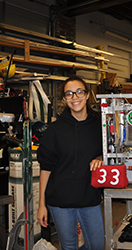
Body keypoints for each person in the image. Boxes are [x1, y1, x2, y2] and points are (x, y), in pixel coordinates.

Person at [37, 75, 105, 250]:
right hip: (60, 199)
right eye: (69, 94)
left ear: (87, 95)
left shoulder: (99, 125)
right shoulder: (55, 129)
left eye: (79, 92)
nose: (75, 98)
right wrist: (41, 205)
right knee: (69, 247)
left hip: (89, 196)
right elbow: (46, 168)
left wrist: (100, 158)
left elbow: (109, 152)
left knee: (97, 245)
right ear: (64, 99)